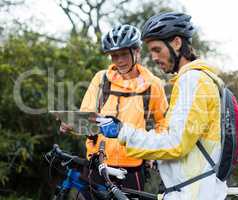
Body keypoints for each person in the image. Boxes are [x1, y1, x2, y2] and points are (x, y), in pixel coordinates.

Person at [96, 12, 228, 200]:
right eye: (151, 51)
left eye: (157, 49)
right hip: (194, 187)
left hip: (192, 193)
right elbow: (186, 138)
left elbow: (175, 143)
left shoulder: (192, 80)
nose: (154, 57)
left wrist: (123, 132)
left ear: (176, 43)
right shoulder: (198, 79)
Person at [60, 24, 168, 191]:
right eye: (114, 56)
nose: (119, 60)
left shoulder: (153, 84)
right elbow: (86, 116)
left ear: (137, 51)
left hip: (133, 168)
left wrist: (153, 152)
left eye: (124, 54)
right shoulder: (101, 79)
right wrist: (72, 124)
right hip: (97, 164)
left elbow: (163, 124)